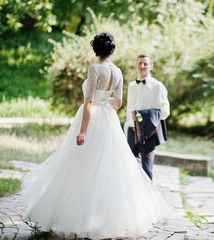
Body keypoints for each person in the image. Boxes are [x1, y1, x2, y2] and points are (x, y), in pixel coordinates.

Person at [21, 32, 169, 240]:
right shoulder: (117, 72)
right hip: (108, 120)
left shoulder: (94, 69)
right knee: (107, 168)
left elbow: (88, 101)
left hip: (91, 118)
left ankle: (77, 220)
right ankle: (103, 221)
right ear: (113, 50)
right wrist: (104, 102)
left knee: (80, 165)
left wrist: (83, 130)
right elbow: (118, 103)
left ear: (95, 50)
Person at [124, 54, 170, 180]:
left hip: (148, 133)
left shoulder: (157, 86)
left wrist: (143, 116)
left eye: (145, 63)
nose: (142, 66)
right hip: (131, 131)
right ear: (136, 65)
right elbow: (130, 110)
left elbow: (165, 111)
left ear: (151, 66)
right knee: (130, 168)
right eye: (140, 63)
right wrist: (127, 127)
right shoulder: (132, 86)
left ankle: (148, 198)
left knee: (146, 170)